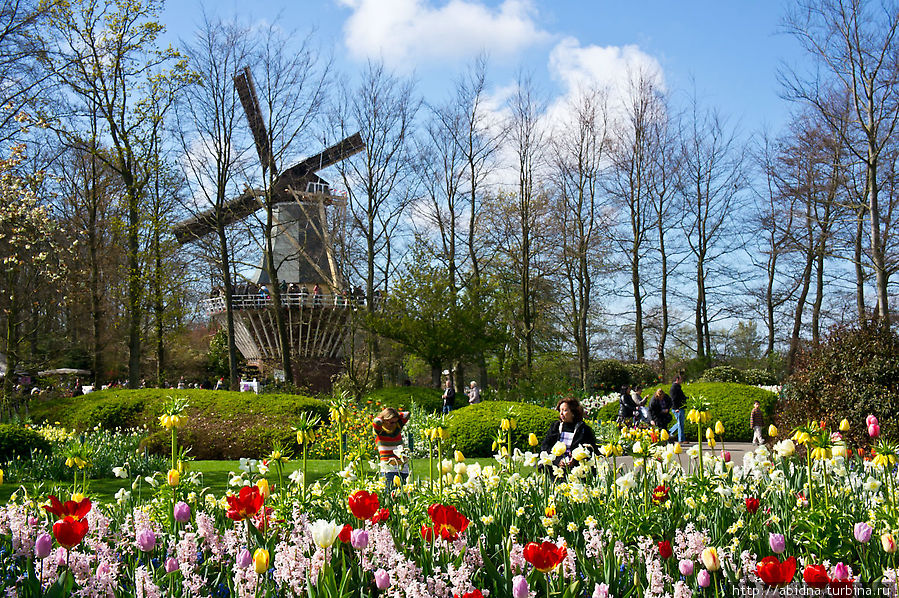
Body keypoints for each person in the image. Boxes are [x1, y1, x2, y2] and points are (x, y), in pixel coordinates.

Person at [539, 397, 597, 469]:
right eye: (560, 410)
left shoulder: (583, 429)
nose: (561, 413)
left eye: (565, 410)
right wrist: (557, 461)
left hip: (577, 468)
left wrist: (575, 459)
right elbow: (545, 446)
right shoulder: (556, 427)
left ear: (573, 412)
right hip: (556, 466)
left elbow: (591, 449)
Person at [372, 407, 411, 489]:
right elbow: (376, 422)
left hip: (403, 466)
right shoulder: (379, 431)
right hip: (388, 468)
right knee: (390, 494)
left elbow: (407, 414)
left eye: (395, 422)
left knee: (403, 495)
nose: (393, 424)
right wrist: (382, 417)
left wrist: (395, 414)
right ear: (384, 421)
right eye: (391, 422)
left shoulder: (397, 427)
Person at [668, 375, 687, 442]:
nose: (681, 381)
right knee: (680, 424)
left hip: (680, 407)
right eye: (680, 379)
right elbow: (673, 399)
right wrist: (676, 408)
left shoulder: (678, 387)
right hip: (677, 408)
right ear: (677, 379)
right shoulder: (674, 388)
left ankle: (669, 432)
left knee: (680, 423)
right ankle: (681, 439)